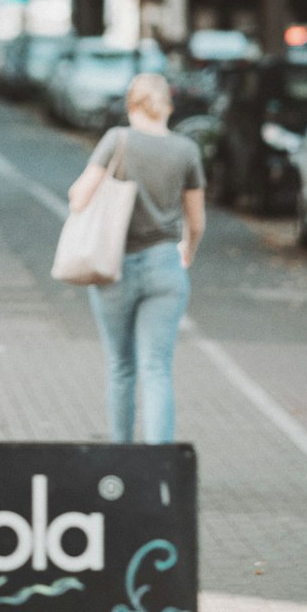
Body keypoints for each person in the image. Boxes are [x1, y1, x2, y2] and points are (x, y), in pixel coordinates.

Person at [67, 72, 206, 444]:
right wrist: (187, 252)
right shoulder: (186, 150)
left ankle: (122, 457)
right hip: (165, 266)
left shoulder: (117, 140)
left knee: (121, 367)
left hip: (115, 266)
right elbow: (197, 220)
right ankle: (159, 463)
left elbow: (80, 197)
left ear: (131, 105)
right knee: (157, 369)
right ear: (168, 107)